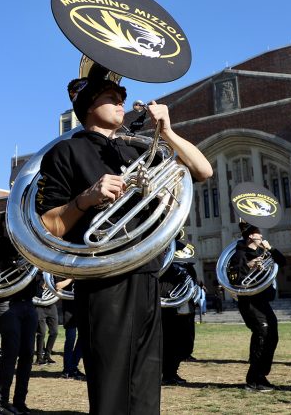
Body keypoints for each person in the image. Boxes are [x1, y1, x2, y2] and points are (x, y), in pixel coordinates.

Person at [37, 76, 212, 415]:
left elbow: (202, 170)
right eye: (110, 96)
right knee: (112, 384)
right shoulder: (66, 150)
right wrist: (86, 198)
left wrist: (168, 131)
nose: (121, 103)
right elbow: (50, 225)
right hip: (103, 277)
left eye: (122, 97)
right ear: (88, 106)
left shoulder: (137, 148)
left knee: (146, 382)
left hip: (146, 271)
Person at [0, 217, 38, 415]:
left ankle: (19, 401)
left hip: (28, 304)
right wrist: (9, 264)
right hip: (5, 303)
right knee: (10, 353)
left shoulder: (27, 244)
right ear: (3, 225)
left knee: (28, 354)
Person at [228, 223, 286, 391]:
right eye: (259, 234)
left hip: (262, 301)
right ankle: (253, 379)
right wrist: (250, 265)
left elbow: (282, 261)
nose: (262, 236)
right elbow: (234, 280)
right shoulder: (239, 254)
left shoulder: (263, 252)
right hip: (249, 302)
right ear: (251, 236)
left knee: (272, 335)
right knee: (262, 333)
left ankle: (261, 375)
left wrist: (271, 249)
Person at [160, 261, 199, 385]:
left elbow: (194, 283)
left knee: (185, 344)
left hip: (185, 306)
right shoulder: (164, 266)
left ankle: (171, 372)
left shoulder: (186, 267)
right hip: (168, 306)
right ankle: (168, 374)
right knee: (170, 344)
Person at [34, 273, 60, 366]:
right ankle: (39, 358)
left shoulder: (53, 275)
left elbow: (58, 287)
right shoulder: (36, 275)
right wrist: (44, 280)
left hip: (51, 305)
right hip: (39, 306)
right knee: (42, 333)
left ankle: (47, 355)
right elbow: (37, 291)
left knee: (54, 332)